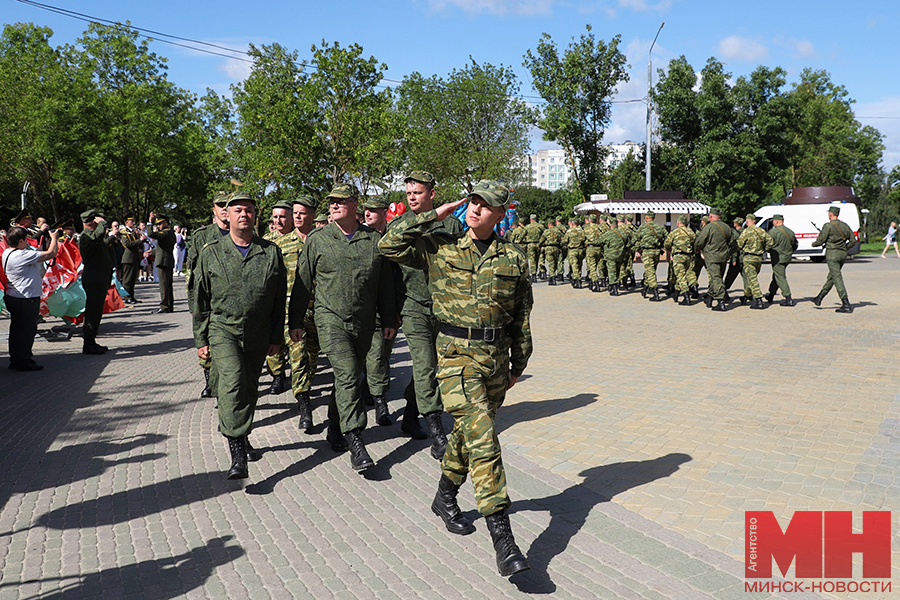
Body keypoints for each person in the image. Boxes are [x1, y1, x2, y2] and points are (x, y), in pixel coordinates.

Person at [379, 179, 533, 578]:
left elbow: (521, 316)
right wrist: (433, 214)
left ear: (501, 214)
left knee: (468, 436)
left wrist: (518, 364)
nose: (478, 209)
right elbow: (388, 244)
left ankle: (445, 495)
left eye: (487, 205)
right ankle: (504, 539)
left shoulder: (513, 259)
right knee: (484, 440)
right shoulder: (439, 246)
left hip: (496, 361)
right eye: (473, 202)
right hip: (455, 356)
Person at [288, 183, 396, 472]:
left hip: (364, 322)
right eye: (331, 201)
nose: (333, 205)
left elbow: (385, 285)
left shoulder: (374, 239)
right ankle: (356, 439)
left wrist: (388, 319)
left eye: (340, 201)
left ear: (355, 204)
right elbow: (302, 283)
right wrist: (295, 321)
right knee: (348, 375)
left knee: (347, 378)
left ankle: (335, 427)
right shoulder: (318, 239)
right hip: (330, 319)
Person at [193, 192, 286, 480]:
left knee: (248, 388)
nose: (243, 215)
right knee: (232, 384)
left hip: (258, 332)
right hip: (224, 330)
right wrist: (201, 340)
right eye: (237, 210)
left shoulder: (270, 252)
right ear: (227, 216)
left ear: (256, 215)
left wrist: (275, 336)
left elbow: (279, 298)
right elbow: (199, 299)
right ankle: (237, 454)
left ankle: (241, 435)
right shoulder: (211, 252)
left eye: (248, 210)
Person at [386, 170, 463, 458]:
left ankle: (410, 415)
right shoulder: (401, 225)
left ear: (432, 193)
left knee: (437, 370)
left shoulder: (453, 224)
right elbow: (390, 266)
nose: (411, 198)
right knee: (424, 367)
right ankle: (436, 430)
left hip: (445, 308)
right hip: (413, 306)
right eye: (408, 194)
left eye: (417, 193)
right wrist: (390, 310)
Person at [272, 194, 320, 432]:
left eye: (303, 213)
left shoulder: (323, 240)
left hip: (321, 310)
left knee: (312, 358)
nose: (298, 217)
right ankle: (304, 406)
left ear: (312, 214)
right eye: (295, 213)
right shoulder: (281, 245)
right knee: (298, 357)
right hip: (293, 312)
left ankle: (306, 387)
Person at [360, 195, 398, 427]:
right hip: (367, 308)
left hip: (390, 306)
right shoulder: (362, 238)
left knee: (383, 354)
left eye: (373, 210)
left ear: (385, 212)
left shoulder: (394, 237)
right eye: (365, 210)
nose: (368, 213)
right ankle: (380, 400)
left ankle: (370, 388)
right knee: (374, 357)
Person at [3, 225, 61, 370]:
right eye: (26, 240)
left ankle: (16, 359)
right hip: (26, 298)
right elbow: (51, 253)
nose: (28, 242)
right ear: (21, 241)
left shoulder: (7, 253)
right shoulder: (22, 255)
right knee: (27, 331)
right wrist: (54, 238)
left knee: (16, 330)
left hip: (14, 297)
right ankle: (24, 361)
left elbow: (38, 253)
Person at [79, 209, 115, 354]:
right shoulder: (86, 236)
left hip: (99, 278)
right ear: (93, 222)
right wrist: (102, 224)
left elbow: (102, 240)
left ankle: (91, 340)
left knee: (95, 312)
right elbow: (97, 236)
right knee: (93, 312)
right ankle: (88, 343)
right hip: (94, 279)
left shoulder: (93, 236)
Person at [811, 206, 855, 313]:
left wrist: (814, 244)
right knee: (832, 276)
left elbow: (820, 240)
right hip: (842, 255)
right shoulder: (845, 226)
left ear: (831, 214)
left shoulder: (828, 226)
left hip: (832, 255)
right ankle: (819, 297)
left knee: (837, 278)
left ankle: (846, 303)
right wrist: (844, 248)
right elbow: (853, 240)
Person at [694, 208, 733, 311]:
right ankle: (710, 297)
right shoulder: (727, 227)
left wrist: (697, 250)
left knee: (716, 279)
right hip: (723, 257)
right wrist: (729, 253)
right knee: (718, 278)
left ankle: (721, 301)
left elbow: (700, 241)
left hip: (711, 257)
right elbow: (734, 243)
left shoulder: (709, 227)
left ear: (711, 216)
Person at [736, 214, 774, 309]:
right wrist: (765, 249)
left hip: (749, 258)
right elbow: (770, 242)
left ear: (747, 221)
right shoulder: (761, 231)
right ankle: (746, 295)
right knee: (751, 278)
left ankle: (759, 300)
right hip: (759, 258)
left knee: (753, 279)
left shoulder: (746, 231)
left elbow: (739, 244)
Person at [763, 214, 799, 306]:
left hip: (777, 258)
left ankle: (788, 298)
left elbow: (767, 244)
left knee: (780, 277)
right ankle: (771, 295)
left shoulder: (773, 232)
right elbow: (795, 245)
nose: (773, 223)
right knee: (777, 276)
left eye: (773, 221)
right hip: (787, 257)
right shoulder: (790, 232)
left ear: (777, 221)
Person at [664, 215, 697, 305]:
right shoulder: (691, 232)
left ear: (678, 223)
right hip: (689, 257)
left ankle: (686, 296)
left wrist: (670, 250)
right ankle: (676, 293)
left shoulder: (675, 232)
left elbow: (667, 244)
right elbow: (696, 244)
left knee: (680, 276)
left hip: (678, 257)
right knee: (685, 274)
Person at [634, 211, 667, 301]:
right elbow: (666, 238)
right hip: (656, 251)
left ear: (647, 218)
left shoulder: (643, 227)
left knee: (650, 272)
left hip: (647, 252)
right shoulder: (660, 227)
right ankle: (645, 289)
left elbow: (636, 239)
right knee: (651, 270)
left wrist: (637, 250)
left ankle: (655, 293)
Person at [148, 213, 176, 314]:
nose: (158, 226)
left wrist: (149, 222)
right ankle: (169, 305)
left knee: (164, 285)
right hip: (166, 260)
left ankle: (165, 306)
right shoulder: (168, 232)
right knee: (167, 285)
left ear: (165, 222)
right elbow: (162, 248)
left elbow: (151, 234)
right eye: (157, 224)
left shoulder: (167, 232)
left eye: (160, 223)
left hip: (164, 261)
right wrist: (152, 252)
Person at [117, 213, 145, 305]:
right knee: (127, 279)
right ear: (126, 222)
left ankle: (132, 296)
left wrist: (141, 239)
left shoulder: (133, 232)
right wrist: (139, 240)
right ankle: (127, 297)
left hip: (134, 257)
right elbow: (128, 244)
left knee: (133, 279)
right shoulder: (124, 232)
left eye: (134, 221)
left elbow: (137, 244)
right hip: (128, 258)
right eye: (131, 221)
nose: (133, 222)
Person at [598, 215, 628, 296]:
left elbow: (599, 241)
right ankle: (614, 285)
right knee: (617, 271)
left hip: (610, 256)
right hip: (620, 255)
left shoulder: (608, 234)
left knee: (612, 272)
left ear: (610, 224)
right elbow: (628, 244)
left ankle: (614, 289)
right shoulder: (623, 233)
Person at [563, 216, 586, 288]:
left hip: (573, 250)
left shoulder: (569, 231)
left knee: (574, 265)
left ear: (572, 223)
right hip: (581, 250)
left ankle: (577, 280)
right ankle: (578, 276)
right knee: (579, 265)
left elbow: (565, 241)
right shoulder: (582, 231)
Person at [539, 219, 563, 285]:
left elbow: (542, 240)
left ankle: (552, 278)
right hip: (556, 248)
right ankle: (553, 274)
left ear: (549, 224)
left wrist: (539, 245)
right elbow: (563, 240)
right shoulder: (558, 231)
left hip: (548, 248)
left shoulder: (546, 231)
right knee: (555, 262)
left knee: (551, 263)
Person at [523, 214, 544, 282]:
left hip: (530, 244)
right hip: (538, 244)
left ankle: (533, 275)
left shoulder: (527, 227)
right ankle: (538, 271)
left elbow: (522, 235)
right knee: (538, 259)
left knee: (532, 260)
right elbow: (545, 234)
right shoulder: (541, 226)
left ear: (530, 219)